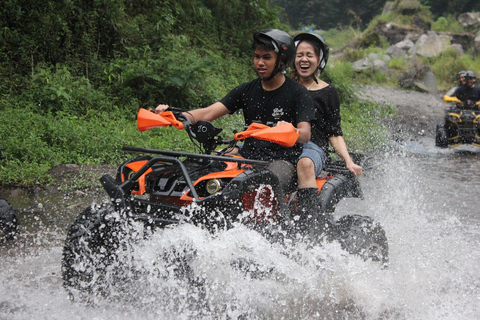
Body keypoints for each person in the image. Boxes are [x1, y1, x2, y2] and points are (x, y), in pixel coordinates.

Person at [155, 29, 316, 194]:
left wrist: (289, 130)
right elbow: (208, 112)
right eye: (257, 56)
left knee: (265, 184)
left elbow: (305, 134)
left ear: (281, 60)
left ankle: (296, 219)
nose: (260, 62)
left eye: (266, 57)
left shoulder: (298, 93)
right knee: (204, 168)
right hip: (246, 156)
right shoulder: (247, 90)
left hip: (281, 161)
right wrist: (175, 116)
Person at [290, 32, 363, 233]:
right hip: (283, 143)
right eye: (299, 55)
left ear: (319, 60)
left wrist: (348, 161)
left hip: (313, 149)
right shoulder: (285, 87)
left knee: (304, 164)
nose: (304, 59)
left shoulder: (327, 92)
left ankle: (308, 226)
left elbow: (334, 133)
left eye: (309, 55)